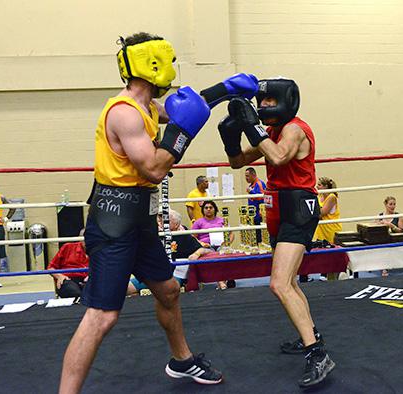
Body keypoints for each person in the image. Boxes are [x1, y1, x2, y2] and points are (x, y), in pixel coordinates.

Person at [59, 32, 258, 393]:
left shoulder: (149, 108)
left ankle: (181, 361)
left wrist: (224, 90)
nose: (172, 69)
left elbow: (186, 108)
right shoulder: (124, 113)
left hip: (139, 220)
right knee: (103, 315)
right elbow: (153, 168)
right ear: (153, 64)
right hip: (114, 221)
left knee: (167, 289)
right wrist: (182, 134)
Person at [219, 77, 335, 387]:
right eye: (263, 101)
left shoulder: (295, 129)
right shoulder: (272, 132)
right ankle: (309, 333)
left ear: (287, 100)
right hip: (279, 207)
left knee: (279, 284)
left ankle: (318, 353)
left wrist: (252, 126)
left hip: (298, 207)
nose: (265, 106)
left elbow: (278, 156)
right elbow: (237, 162)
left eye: (270, 101)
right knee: (290, 281)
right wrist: (231, 135)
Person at [128, 209, 212, 295]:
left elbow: (206, 250)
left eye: (166, 220)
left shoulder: (184, 236)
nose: (162, 222)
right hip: (154, 273)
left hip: (176, 274)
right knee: (126, 287)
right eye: (161, 220)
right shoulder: (156, 235)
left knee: (167, 289)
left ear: (176, 224)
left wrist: (196, 254)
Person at [191, 200, 234, 290]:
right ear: (203, 210)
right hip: (207, 247)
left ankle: (223, 281)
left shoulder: (222, 220)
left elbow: (231, 234)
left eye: (211, 207)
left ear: (215, 209)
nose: (208, 209)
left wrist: (227, 242)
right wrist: (202, 243)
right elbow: (193, 237)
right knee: (212, 255)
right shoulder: (198, 222)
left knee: (222, 254)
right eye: (206, 208)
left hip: (221, 246)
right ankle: (221, 282)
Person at [48, 229, 89, 298]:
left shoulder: (100, 251)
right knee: (74, 292)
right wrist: (59, 276)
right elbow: (51, 268)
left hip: (89, 281)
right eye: (85, 237)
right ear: (79, 238)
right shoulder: (67, 247)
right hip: (68, 280)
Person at [377, 196, 403, 276]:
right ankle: (384, 268)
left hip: (396, 240)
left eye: (394, 204)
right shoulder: (380, 216)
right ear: (385, 205)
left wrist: (392, 226)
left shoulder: (398, 216)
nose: (393, 206)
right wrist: (380, 225)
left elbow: (401, 231)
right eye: (390, 204)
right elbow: (374, 230)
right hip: (383, 240)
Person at [313, 176, 342, 244]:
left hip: (330, 229)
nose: (317, 187)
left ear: (325, 186)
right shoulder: (320, 196)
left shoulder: (332, 197)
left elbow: (322, 213)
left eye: (319, 185)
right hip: (321, 229)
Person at [245, 167, 266, 243]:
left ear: (253, 175)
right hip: (253, 215)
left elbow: (262, 198)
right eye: (245, 176)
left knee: (259, 237)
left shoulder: (259, 184)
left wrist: (251, 192)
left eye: (247, 176)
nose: (246, 178)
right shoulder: (252, 185)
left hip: (259, 216)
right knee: (254, 237)